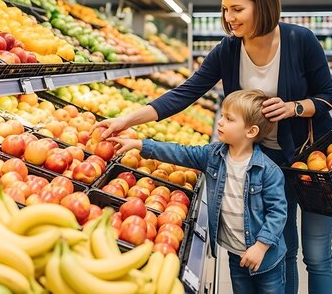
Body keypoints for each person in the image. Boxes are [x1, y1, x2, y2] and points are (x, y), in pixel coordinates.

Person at [94, 0, 332, 294]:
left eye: (237, 9)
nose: (229, 18)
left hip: (309, 160)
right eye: (225, 9)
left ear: (262, 5)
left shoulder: (299, 40)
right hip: (263, 165)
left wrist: (293, 107)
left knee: (317, 254)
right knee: (285, 251)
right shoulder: (228, 50)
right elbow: (184, 93)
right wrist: (128, 120)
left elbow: (327, 98)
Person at [110, 89, 288, 293]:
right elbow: (180, 152)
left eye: (229, 119)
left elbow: (278, 212)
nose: (220, 122)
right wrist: (140, 144)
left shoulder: (268, 171)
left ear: (251, 132)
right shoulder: (213, 156)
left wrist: (261, 246)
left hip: (266, 259)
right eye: (222, 115)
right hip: (235, 254)